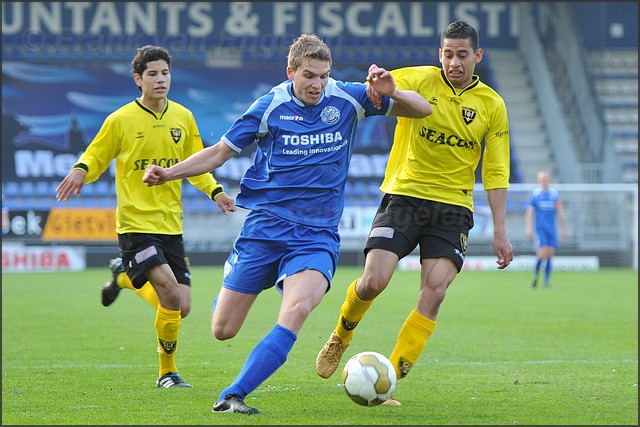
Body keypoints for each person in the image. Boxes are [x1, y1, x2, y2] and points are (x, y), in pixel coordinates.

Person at [142, 33, 432, 414]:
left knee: (295, 312)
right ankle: (237, 282)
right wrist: (169, 173)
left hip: (315, 237)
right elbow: (218, 153)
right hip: (264, 231)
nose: (317, 85)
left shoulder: (347, 97)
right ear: (290, 71)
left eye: (324, 76)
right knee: (222, 329)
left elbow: (422, 109)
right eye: (309, 76)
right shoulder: (269, 106)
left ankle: (233, 395)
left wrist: (394, 90)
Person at [315, 19, 514, 406]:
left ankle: (387, 378)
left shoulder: (492, 104)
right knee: (373, 281)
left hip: (453, 207)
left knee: (434, 292)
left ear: (477, 56)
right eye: (448, 54)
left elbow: (496, 170)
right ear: (439, 54)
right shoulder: (420, 79)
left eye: (462, 55)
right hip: (405, 196)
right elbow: (377, 84)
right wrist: (378, 81)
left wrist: (501, 232)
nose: (454, 62)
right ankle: (341, 334)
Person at [56, 45, 236, 389]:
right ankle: (167, 372)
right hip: (135, 224)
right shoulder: (121, 120)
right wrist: (80, 169)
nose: (160, 79)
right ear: (138, 79)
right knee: (168, 293)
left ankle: (124, 277)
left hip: (170, 225)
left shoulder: (182, 117)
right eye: (152, 74)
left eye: (165, 73)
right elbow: (96, 154)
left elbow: (195, 164)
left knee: (180, 306)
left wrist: (216, 191)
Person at [525, 170, 567, 288]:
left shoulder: (555, 195)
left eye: (546, 178)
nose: (544, 181)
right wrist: (529, 228)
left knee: (550, 254)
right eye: (542, 179)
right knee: (543, 253)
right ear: (539, 181)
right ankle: (536, 275)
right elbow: (530, 212)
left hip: (552, 228)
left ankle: (546, 282)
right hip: (540, 228)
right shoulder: (535, 195)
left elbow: (559, 212)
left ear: (549, 180)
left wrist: (564, 230)